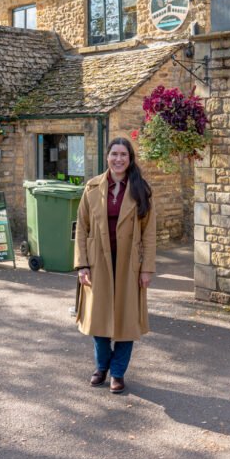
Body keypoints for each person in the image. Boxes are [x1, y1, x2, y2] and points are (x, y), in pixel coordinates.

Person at [74, 137, 156, 395]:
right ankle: (102, 367)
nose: (119, 159)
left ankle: (117, 372)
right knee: (99, 317)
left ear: (130, 159)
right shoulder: (91, 187)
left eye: (124, 155)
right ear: (107, 157)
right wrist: (82, 265)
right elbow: (82, 228)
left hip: (129, 263)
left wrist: (146, 269)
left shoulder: (141, 189)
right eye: (114, 154)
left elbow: (149, 233)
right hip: (99, 263)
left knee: (126, 319)